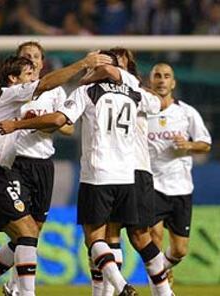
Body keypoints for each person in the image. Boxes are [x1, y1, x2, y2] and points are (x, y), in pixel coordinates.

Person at [0, 51, 166, 296]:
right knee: (117, 236)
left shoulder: (87, 92)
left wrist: (18, 124)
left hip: (98, 173)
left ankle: (120, 286)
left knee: (94, 239)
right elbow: (158, 104)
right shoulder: (135, 93)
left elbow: (59, 120)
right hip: (127, 176)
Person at [0, 52, 112, 296]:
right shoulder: (7, 94)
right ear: (12, 78)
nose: (34, 78)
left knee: (24, 234)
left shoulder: (10, 101)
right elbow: (44, 84)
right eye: (28, 74)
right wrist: (83, 63)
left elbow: (58, 119)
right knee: (28, 232)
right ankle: (25, 293)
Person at [80, 48, 172, 296]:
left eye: (117, 63)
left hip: (136, 169)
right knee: (109, 236)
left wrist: (87, 75)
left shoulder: (136, 91)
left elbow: (160, 103)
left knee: (139, 236)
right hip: (115, 170)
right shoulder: (111, 92)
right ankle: (105, 293)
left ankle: (163, 293)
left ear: (127, 68)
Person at [2, 41, 74, 296]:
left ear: (43, 62)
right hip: (16, 161)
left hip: (43, 164)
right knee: (25, 228)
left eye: (35, 56)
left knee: (34, 231)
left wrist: (46, 123)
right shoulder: (11, 91)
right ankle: (21, 289)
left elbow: (68, 127)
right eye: (25, 56)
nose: (31, 60)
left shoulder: (54, 92)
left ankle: (6, 284)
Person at [148, 63, 211, 292]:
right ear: (150, 81)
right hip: (152, 185)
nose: (162, 80)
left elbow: (206, 144)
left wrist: (189, 145)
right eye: (157, 75)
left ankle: (161, 271)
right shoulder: (142, 113)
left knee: (180, 250)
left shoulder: (186, 112)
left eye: (166, 76)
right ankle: (161, 290)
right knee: (153, 237)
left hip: (181, 187)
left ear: (173, 83)